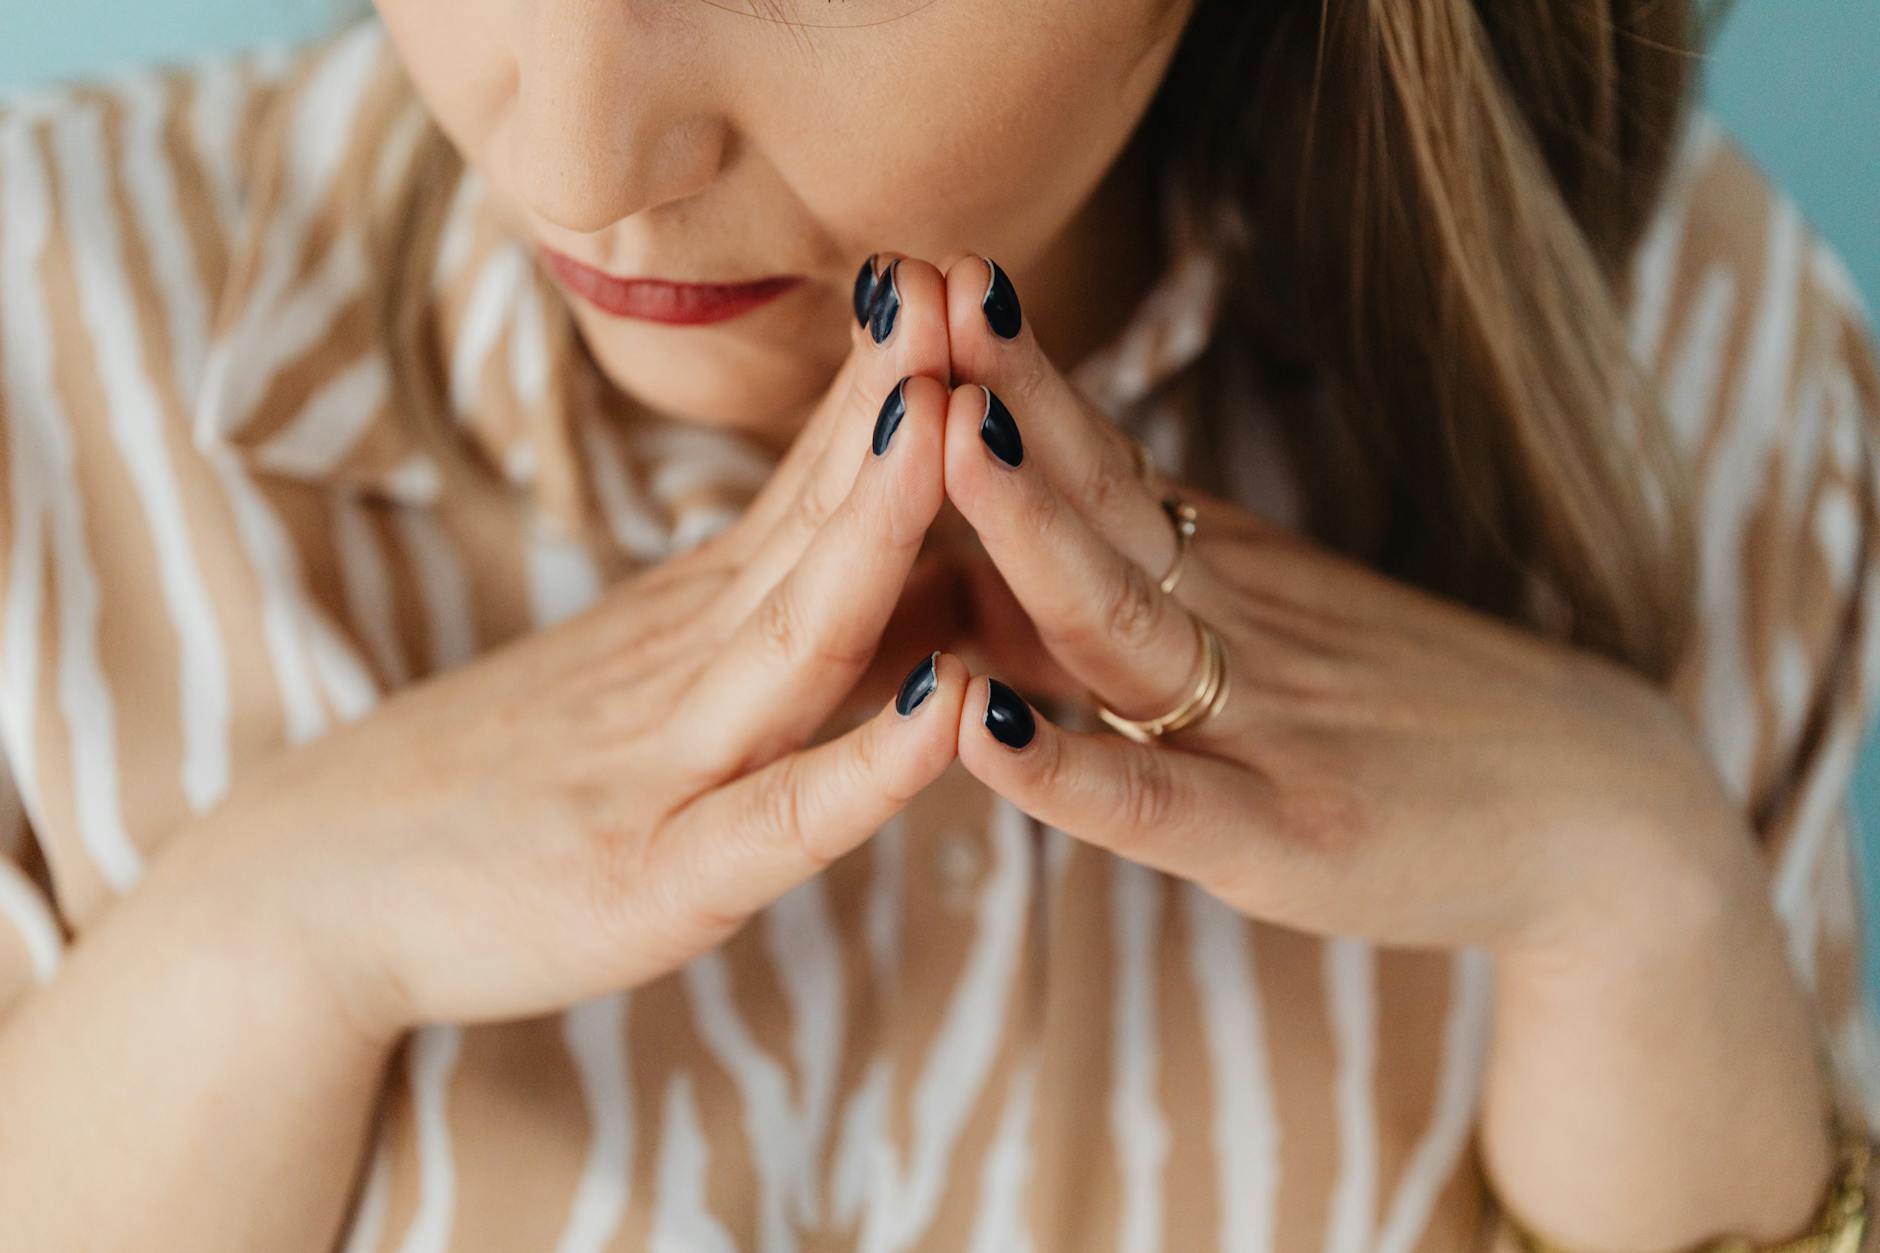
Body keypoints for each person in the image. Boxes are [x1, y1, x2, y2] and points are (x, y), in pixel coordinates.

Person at [0, 1, 1875, 1249]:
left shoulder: (1707, 395)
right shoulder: (46, 345)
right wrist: (250, 955)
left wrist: (1648, 895)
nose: (577, 153)